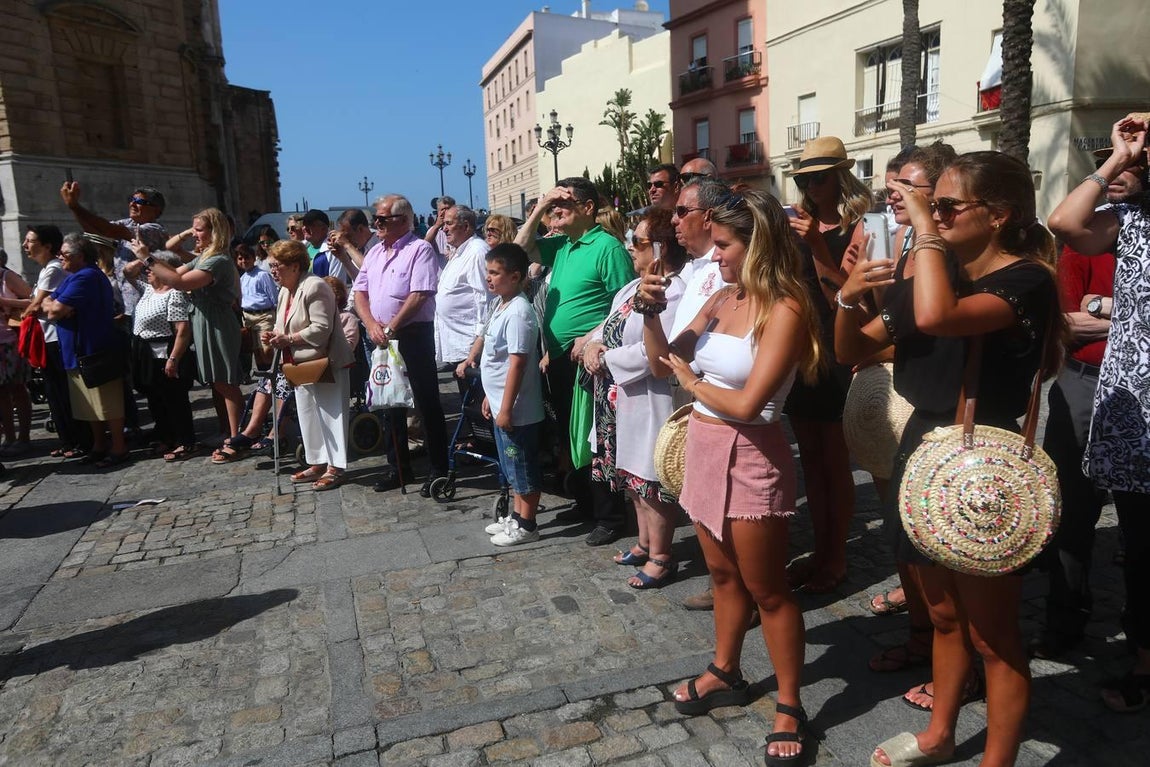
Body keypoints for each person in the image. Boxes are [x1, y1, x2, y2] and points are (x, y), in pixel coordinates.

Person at [837, 151, 1060, 767]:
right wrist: (850, 298)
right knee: (940, 614)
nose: (930, 214)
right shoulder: (932, 275)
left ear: (1000, 215)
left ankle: (997, 761)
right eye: (929, 205)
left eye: (947, 206)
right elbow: (851, 348)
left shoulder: (1025, 280)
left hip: (984, 463)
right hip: (924, 453)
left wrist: (924, 233)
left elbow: (938, 317)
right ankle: (939, 736)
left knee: (995, 637)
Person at [638, 189, 821, 765]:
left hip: (753, 453)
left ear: (757, 244)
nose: (713, 257)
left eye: (723, 245)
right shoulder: (720, 297)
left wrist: (692, 385)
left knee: (767, 587)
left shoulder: (786, 307)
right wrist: (648, 316)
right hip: (706, 447)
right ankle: (726, 670)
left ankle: (789, 703)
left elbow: (750, 405)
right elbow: (661, 362)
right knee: (722, 575)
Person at [1047, 112, 1150, 713]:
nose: (1134, 163)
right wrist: (1115, 156)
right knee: (1138, 540)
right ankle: (1143, 658)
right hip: (1130, 401)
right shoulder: (1130, 221)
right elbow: (1065, 221)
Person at [514, 177, 636, 547]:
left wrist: (590, 340)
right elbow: (518, 252)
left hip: (590, 358)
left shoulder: (607, 247)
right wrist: (540, 207)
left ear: (587, 208)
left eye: (563, 205)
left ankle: (611, 515)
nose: (556, 211)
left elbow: (625, 305)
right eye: (553, 207)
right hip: (561, 358)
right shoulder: (564, 246)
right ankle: (586, 503)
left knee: (596, 437)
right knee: (572, 437)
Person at [582, 208, 688, 588]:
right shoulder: (633, 287)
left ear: (660, 247)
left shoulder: (672, 291)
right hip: (614, 396)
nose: (630, 247)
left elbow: (653, 352)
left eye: (638, 242)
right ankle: (643, 543)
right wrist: (593, 343)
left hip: (646, 395)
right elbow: (606, 323)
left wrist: (606, 357)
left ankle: (662, 554)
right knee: (629, 474)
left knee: (649, 477)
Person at [784, 135, 871, 594]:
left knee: (835, 464)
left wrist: (818, 246)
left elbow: (846, 298)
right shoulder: (799, 223)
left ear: (841, 177)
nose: (811, 187)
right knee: (811, 465)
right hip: (803, 352)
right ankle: (820, 554)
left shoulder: (860, 227)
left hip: (838, 350)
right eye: (804, 179)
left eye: (819, 177)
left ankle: (835, 560)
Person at [354, 194, 449, 496]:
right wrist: (371, 325)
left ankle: (438, 468)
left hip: (411, 333)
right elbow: (359, 293)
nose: (376, 224)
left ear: (403, 220)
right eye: (375, 218)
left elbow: (420, 293)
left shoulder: (419, 249)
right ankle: (398, 467)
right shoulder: (373, 253)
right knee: (388, 402)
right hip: (379, 336)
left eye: (382, 219)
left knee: (424, 401)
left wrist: (392, 326)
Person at [130, 208, 245, 441]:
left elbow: (179, 282)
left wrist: (147, 258)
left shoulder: (218, 260)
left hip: (217, 322)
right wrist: (148, 258)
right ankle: (230, 432)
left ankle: (238, 435)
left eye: (199, 230)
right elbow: (172, 274)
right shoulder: (204, 257)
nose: (194, 234)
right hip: (205, 320)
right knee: (217, 382)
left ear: (215, 231)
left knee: (226, 382)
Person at [469, 243, 546, 546]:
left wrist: (507, 407)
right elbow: (495, 361)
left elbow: (517, 362)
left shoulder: (518, 312)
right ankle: (515, 517)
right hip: (503, 403)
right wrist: (492, 395)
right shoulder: (502, 305)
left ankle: (528, 523)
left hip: (518, 410)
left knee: (522, 466)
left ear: (515, 276)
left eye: (495, 273)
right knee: (510, 465)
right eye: (487, 272)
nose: (488, 278)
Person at [263, 239, 353, 491]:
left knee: (330, 413)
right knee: (308, 413)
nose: (273, 271)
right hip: (297, 363)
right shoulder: (285, 291)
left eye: (277, 265)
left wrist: (289, 338)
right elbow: (284, 324)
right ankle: (317, 461)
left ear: (294, 265)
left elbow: (322, 328)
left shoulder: (315, 286)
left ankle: (336, 466)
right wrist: (273, 335)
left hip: (324, 361)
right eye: (271, 265)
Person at [43, 233, 129, 469]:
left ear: (79, 256)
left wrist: (57, 307)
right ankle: (99, 446)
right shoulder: (73, 277)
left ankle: (119, 447)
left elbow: (52, 310)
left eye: (64, 254)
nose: (60, 258)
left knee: (107, 402)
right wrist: (56, 307)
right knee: (89, 405)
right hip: (77, 352)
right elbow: (47, 303)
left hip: (94, 349)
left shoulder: (86, 277)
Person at [18, 225, 85, 457]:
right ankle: (68, 439)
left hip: (57, 337)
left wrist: (28, 311)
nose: (25, 245)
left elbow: (35, 307)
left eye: (30, 241)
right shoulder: (46, 270)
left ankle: (76, 440)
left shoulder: (54, 269)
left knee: (62, 391)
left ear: (47, 246)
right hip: (48, 337)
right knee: (53, 392)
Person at [59, 181, 168, 319]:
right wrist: (74, 208)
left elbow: (109, 230)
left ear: (156, 210)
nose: (132, 204)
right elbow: (96, 230)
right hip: (128, 307)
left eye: (139, 201)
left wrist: (75, 206)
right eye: (131, 200)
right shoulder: (129, 223)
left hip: (149, 306)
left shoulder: (154, 229)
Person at [130, 251, 195, 461]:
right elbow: (127, 272)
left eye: (153, 266)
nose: (147, 270)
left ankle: (184, 441)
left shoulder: (174, 293)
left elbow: (182, 330)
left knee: (174, 399)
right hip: (145, 352)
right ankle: (166, 436)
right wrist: (144, 256)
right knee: (155, 399)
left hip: (164, 352)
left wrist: (173, 358)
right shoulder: (148, 288)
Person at [434, 205, 491, 373]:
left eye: (449, 224)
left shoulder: (477, 252)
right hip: (459, 342)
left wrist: (478, 344)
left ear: (466, 226)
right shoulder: (460, 251)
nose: (444, 229)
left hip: (472, 345)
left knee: (478, 397)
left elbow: (485, 298)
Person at [0, 248, 34, 456]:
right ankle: (9, 436)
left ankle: (24, 437)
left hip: (10, 340)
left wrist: (4, 302)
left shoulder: (7, 276)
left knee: (17, 389)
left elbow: (32, 300)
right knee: (1, 393)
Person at [237, 242, 278, 372]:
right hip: (248, 317)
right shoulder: (242, 278)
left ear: (253, 258)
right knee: (256, 351)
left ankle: (273, 375)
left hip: (264, 316)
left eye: (247, 257)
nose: (244, 261)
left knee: (266, 349)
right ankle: (264, 377)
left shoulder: (262, 275)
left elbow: (274, 296)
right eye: (240, 258)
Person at [328, 209, 378, 283]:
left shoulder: (380, 245)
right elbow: (359, 281)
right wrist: (342, 257)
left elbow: (370, 271)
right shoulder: (355, 251)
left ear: (360, 229)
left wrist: (347, 245)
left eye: (348, 236)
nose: (346, 240)